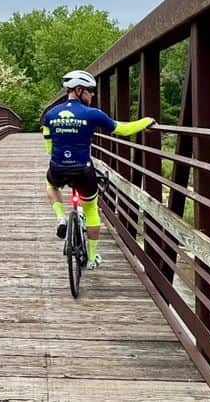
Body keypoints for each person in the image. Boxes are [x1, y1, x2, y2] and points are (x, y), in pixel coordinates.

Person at [41, 69, 155, 270]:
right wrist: (146, 121)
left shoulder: (49, 115)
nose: (92, 95)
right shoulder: (93, 114)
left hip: (58, 167)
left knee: (51, 186)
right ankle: (92, 258)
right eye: (90, 91)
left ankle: (60, 218)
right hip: (83, 171)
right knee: (91, 208)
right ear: (78, 90)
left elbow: (49, 147)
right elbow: (123, 129)